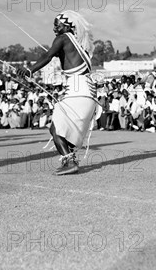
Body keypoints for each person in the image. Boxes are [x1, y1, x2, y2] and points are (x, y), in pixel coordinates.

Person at [18, 11, 98, 175]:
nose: (54, 28)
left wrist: (29, 70)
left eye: (57, 24)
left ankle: (69, 161)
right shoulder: (81, 45)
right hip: (87, 94)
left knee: (56, 128)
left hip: (78, 93)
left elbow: (48, 55)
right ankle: (70, 159)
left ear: (68, 25)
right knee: (63, 129)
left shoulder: (63, 38)